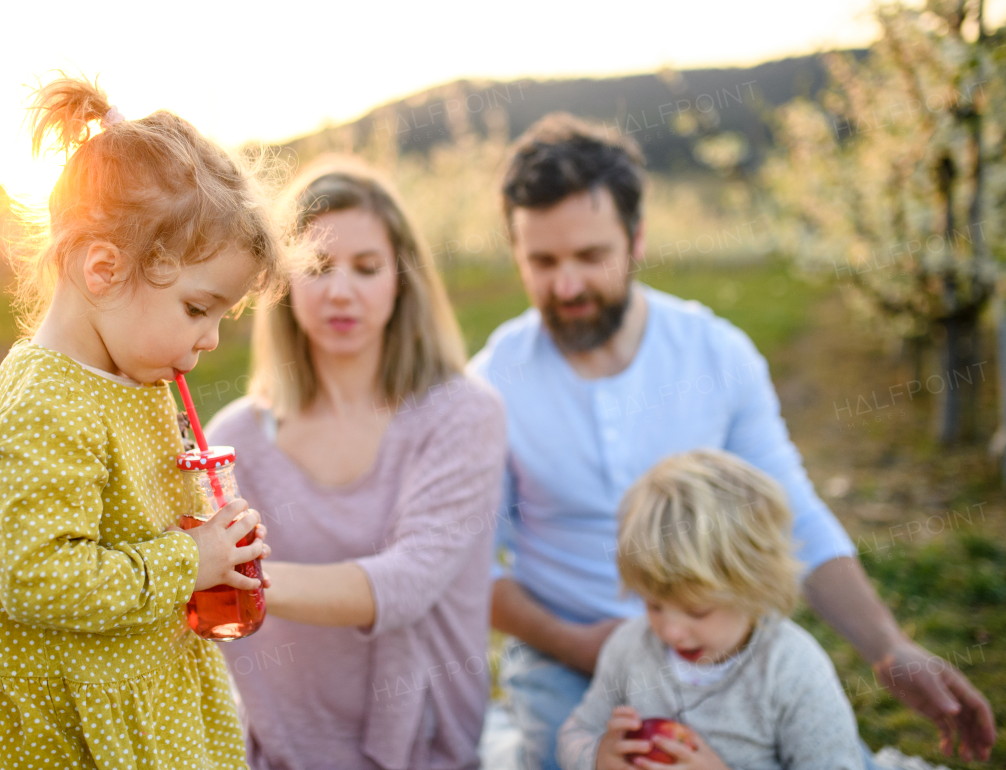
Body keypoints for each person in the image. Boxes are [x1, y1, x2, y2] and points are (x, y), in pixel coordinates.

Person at [469, 113, 995, 770]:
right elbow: (467, 563)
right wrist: (586, 644)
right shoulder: (490, 385)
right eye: (542, 261)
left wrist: (889, 647)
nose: (566, 285)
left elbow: (795, 513)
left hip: (726, 643)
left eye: (590, 256)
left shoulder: (715, 354)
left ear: (636, 240)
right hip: (566, 657)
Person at [0, 76, 286, 770]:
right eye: (197, 309)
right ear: (106, 269)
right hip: (60, 730)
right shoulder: (47, 406)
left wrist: (213, 539)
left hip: (140, 698)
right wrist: (188, 560)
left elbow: (126, 517)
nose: (208, 340)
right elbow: (38, 575)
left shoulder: (130, 371)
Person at [205, 157, 507, 770]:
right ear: (283, 285)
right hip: (286, 751)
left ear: (402, 280)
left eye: (366, 268)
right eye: (316, 267)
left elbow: (409, 581)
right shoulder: (235, 439)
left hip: (428, 749)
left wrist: (234, 577)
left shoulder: (463, 414)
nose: (340, 289)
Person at [556, 449, 864, 770]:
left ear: (756, 588)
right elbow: (577, 731)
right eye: (654, 605)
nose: (671, 631)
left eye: (698, 611)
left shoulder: (791, 668)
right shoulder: (629, 648)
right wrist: (596, 757)